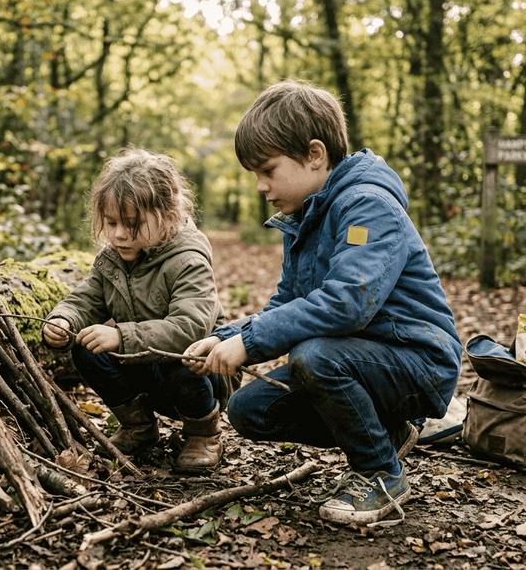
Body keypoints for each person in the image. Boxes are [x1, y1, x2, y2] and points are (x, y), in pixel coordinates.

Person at [183, 80, 462, 526]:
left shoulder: (368, 205)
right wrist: (227, 337)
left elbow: (347, 302)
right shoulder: (308, 215)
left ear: (315, 155)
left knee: (312, 357)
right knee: (249, 409)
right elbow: (289, 301)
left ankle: (381, 474)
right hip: (360, 359)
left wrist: (251, 345)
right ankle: (384, 432)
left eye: (268, 170)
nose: (261, 187)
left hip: (419, 361)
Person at [43, 147, 228, 474]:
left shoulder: (187, 260)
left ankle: (203, 434)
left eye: (132, 224)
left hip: (198, 375)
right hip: (147, 367)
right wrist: (64, 320)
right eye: (111, 222)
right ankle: (139, 428)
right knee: (86, 348)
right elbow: (88, 298)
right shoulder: (113, 257)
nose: (118, 234)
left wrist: (120, 336)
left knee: (178, 354)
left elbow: (191, 328)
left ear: (167, 214)